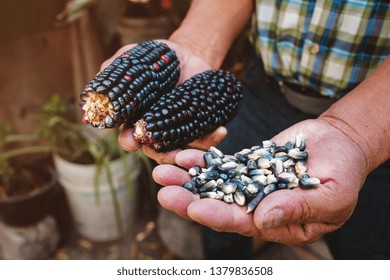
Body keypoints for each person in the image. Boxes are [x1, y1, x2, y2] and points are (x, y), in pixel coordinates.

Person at [103, 0, 390, 259]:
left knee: (368, 252)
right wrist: (195, 44)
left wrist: (355, 132)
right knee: (217, 215)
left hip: (377, 118)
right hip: (261, 89)